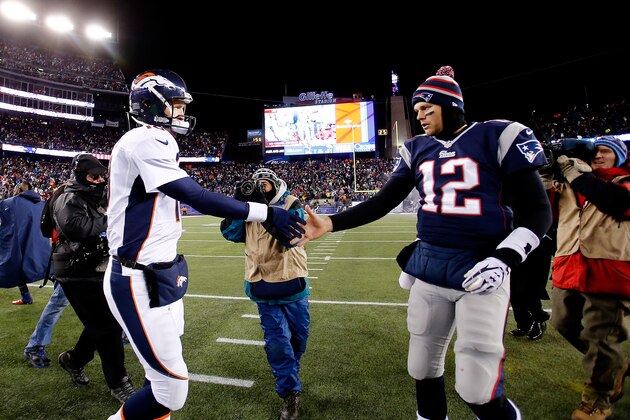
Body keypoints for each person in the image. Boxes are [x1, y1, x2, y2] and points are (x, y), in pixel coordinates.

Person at [299, 66, 552, 420]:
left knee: (477, 385)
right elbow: (382, 202)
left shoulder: (499, 135)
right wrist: (331, 222)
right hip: (429, 267)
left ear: (451, 106)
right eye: (416, 109)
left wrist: (505, 258)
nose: (418, 115)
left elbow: (538, 211)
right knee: (421, 366)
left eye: (426, 108)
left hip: (480, 267)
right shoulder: (416, 148)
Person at [103, 69, 304, 420]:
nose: (181, 114)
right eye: (176, 107)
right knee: (170, 389)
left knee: (163, 382)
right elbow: (195, 195)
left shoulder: (152, 142)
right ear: (151, 105)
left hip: (160, 274)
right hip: (136, 277)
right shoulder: (146, 139)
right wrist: (264, 213)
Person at [549, 135, 630, 420]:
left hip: (608, 270)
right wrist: (545, 169)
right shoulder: (571, 180)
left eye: (606, 151)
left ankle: (597, 401)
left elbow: (616, 202)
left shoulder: (624, 181)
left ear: (619, 156)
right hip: (569, 265)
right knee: (562, 323)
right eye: (595, 150)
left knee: (600, 337)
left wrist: (574, 172)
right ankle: (613, 363)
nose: (598, 155)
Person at [221, 168, 310, 420]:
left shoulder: (292, 203)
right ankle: (290, 392)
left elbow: (289, 237)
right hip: (263, 285)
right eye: (256, 184)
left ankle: (289, 374)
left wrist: (264, 212)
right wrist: (240, 206)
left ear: (275, 185)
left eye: (264, 184)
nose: (260, 188)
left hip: (292, 284)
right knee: (278, 342)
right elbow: (231, 233)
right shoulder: (249, 208)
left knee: (298, 339)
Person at [51, 153, 135, 403]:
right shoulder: (68, 196)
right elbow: (76, 228)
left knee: (103, 323)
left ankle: (73, 360)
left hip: (92, 267)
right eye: (93, 176)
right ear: (80, 175)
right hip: (75, 271)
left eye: (101, 176)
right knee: (107, 326)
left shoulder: (91, 195)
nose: (99, 180)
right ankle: (119, 382)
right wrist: (112, 219)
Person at [0, 180, 50, 305]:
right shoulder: (42, 204)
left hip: (18, 241)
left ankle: (26, 296)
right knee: (47, 268)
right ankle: (62, 294)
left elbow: (6, 223)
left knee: (15, 266)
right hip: (40, 241)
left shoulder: (10, 203)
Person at [509, 224, 556, 340]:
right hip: (517, 246)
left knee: (530, 289)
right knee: (514, 289)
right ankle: (524, 323)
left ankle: (539, 320)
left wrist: (547, 238)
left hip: (538, 247)